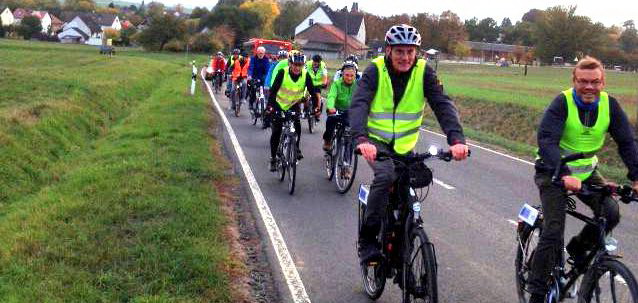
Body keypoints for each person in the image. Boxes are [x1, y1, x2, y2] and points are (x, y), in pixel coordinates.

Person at [349, 24, 469, 264]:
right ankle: (368, 240)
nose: (405, 57)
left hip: (405, 146)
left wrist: (456, 140)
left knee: (410, 189)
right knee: (384, 178)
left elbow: (442, 105)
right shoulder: (376, 70)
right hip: (377, 142)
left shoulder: (424, 72)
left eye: (410, 52)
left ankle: (402, 250)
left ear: (417, 53)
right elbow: (359, 103)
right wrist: (361, 139)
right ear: (388, 50)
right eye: (399, 51)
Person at [527, 56, 638, 303]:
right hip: (552, 171)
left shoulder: (610, 105)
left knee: (611, 212)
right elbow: (546, 141)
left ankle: (578, 249)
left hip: (587, 173)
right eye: (583, 81)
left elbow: (627, 142)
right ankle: (536, 291)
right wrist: (564, 174)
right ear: (574, 81)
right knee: (554, 229)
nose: (589, 87)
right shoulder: (562, 103)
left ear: (603, 82)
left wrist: (636, 176)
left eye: (595, 82)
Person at [266, 50, 321, 171]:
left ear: (303, 65)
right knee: (277, 131)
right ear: (290, 64)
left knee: (297, 125)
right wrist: (270, 106)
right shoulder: (282, 72)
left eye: (300, 65)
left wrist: (316, 107)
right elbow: (273, 91)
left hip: (293, 104)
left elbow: (313, 92)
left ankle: (296, 147)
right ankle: (273, 158)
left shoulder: (306, 75)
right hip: (279, 104)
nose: (297, 67)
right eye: (295, 64)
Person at [322, 61, 358, 151]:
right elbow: (331, 96)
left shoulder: (358, 85)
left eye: (352, 76)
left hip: (350, 112)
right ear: (342, 74)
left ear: (355, 75)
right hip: (336, 110)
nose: (349, 78)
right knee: (330, 121)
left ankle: (350, 152)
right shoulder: (337, 84)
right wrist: (331, 107)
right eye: (347, 75)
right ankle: (327, 141)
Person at [247, 46, 271, 110]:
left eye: (262, 53)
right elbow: (251, 67)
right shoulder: (253, 58)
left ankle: (263, 103)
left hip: (262, 77)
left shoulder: (266, 59)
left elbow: (267, 70)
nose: (260, 54)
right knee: (253, 90)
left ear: (264, 53)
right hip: (254, 76)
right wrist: (249, 75)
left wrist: (268, 79)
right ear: (257, 53)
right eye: (259, 53)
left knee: (264, 90)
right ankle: (251, 103)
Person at [305, 54, 328, 119]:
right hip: (309, 83)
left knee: (318, 96)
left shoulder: (323, 66)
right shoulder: (308, 64)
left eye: (317, 62)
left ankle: (317, 111)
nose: (316, 63)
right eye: (314, 61)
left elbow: (325, 75)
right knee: (305, 95)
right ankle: (305, 109)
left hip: (318, 84)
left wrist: (324, 83)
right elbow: (303, 72)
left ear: (320, 62)